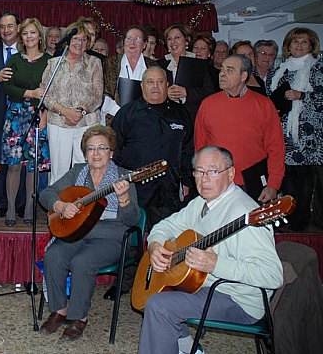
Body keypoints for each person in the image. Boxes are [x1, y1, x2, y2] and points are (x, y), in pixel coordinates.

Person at [137, 146, 283, 354]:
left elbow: (273, 275)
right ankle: (188, 348)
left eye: (213, 171)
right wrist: (155, 245)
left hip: (238, 299)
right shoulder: (202, 203)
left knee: (159, 306)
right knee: (157, 288)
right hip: (205, 283)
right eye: (198, 171)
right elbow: (164, 226)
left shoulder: (246, 215)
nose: (204, 179)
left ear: (231, 174)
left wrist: (216, 264)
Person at [38, 125, 139, 341]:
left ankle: (79, 318)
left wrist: (124, 199)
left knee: (82, 262)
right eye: (91, 149)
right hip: (78, 232)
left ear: (111, 151)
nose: (96, 154)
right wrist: (60, 206)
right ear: (85, 153)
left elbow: (132, 220)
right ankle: (59, 310)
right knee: (54, 255)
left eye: (102, 148)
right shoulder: (78, 172)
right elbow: (46, 193)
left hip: (110, 236)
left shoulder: (124, 177)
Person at [195, 55, 285, 203]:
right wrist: (202, 178)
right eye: (222, 69)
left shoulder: (264, 105)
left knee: (254, 225)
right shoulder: (207, 105)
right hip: (217, 181)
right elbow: (200, 147)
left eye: (229, 70)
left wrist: (273, 184)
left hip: (253, 183)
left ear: (244, 75)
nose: (222, 74)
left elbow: (276, 148)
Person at [112, 66, 193, 227]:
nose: (155, 86)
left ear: (167, 85)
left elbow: (187, 149)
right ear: (142, 86)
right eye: (150, 82)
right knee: (134, 239)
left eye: (160, 81)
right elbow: (115, 151)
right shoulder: (126, 113)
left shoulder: (181, 113)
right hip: (135, 190)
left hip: (169, 189)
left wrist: (187, 181)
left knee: (164, 238)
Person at [269, 27, 323, 231]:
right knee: (287, 176)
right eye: (295, 42)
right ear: (288, 46)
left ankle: (301, 221)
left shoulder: (318, 68)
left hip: (308, 135)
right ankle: (288, 218)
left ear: (311, 46)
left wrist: (301, 95)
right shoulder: (279, 70)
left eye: (304, 42)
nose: (299, 45)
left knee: (305, 179)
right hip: (283, 131)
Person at [1, 18, 51, 227]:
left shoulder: (49, 61)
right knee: (14, 166)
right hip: (15, 116)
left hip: (38, 115)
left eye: (33, 33)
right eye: (25, 33)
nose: (29, 37)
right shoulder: (14, 60)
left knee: (33, 167)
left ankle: (30, 209)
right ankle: (11, 208)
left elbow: (52, 91)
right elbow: (7, 87)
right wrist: (29, 92)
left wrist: (46, 114)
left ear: (40, 36)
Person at [42, 20, 103, 182]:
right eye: (76, 38)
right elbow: (45, 94)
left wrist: (80, 111)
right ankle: (56, 207)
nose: (79, 43)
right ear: (68, 40)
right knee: (58, 173)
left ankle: (82, 207)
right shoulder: (53, 63)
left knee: (83, 170)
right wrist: (64, 111)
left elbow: (97, 96)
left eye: (84, 40)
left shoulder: (94, 63)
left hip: (86, 123)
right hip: (58, 123)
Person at [0, 11, 24, 218]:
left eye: (10, 26)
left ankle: (19, 204)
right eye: (2, 27)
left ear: (18, 28)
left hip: (22, 118)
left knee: (19, 163)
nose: (6, 30)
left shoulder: (29, 53)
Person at [102, 25, 158, 124]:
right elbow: (103, 92)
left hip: (144, 120)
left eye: (137, 39)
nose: (132, 43)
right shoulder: (110, 63)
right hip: (113, 118)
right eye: (129, 38)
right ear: (124, 42)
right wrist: (121, 113)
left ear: (144, 44)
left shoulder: (153, 66)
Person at [158, 23, 214, 122]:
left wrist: (186, 92)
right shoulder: (159, 65)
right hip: (165, 117)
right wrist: (165, 94)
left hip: (192, 118)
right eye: (169, 39)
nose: (173, 42)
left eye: (177, 37)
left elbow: (209, 93)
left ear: (187, 41)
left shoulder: (198, 64)